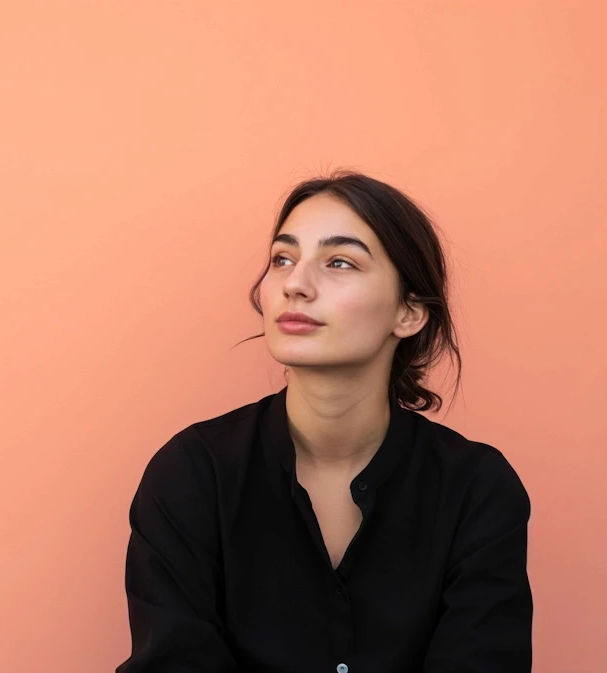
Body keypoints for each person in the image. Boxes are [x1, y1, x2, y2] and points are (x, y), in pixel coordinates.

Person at [115, 170, 532, 673]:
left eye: (339, 262)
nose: (295, 283)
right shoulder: (192, 474)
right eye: (282, 259)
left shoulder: (476, 490)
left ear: (409, 312)